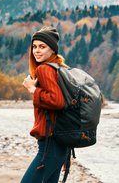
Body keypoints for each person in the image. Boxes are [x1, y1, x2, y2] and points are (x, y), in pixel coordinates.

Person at [20, 26, 69, 183]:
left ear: (52, 50)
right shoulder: (59, 69)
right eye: (34, 46)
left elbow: (57, 101)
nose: (36, 51)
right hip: (60, 145)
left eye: (42, 46)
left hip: (50, 146)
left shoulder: (45, 69)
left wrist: (33, 90)